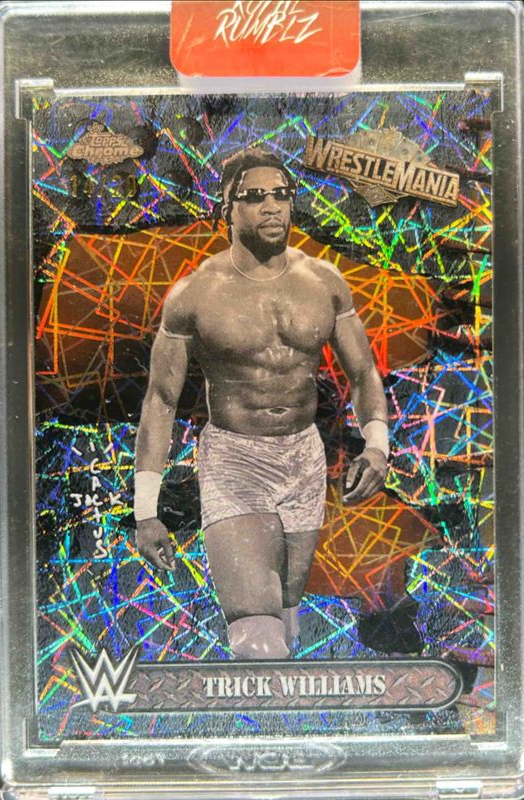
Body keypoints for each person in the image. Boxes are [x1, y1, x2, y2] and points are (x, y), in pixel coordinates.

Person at [134, 147, 389, 660]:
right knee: (258, 640)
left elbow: (363, 372)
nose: (271, 206)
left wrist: (377, 445)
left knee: (287, 624)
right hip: (236, 461)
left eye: (281, 194)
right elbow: (161, 400)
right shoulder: (194, 295)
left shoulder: (324, 282)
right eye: (254, 196)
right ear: (226, 209)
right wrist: (145, 511)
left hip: (304, 458)